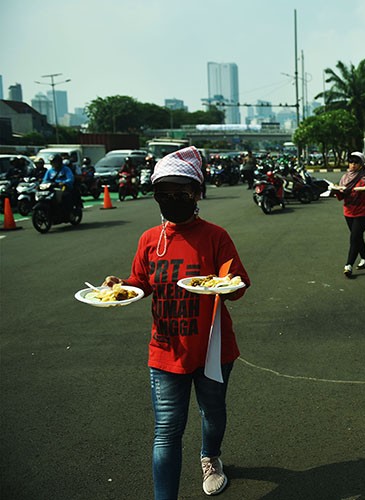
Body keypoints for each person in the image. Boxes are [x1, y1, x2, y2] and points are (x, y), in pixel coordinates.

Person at [101, 146, 250, 500]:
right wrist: (118, 286)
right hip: (166, 350)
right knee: (166, 430)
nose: (172, 199)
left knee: (212, 413)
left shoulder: (216, 236)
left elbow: (237, 286)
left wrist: (223, 285)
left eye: (181, 192)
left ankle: (210, 457)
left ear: (197, 193)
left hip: (213, 348)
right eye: (163, 193)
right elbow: (139, 282)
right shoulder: (151, 240)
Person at [333, 151, 365, 278]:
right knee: (358, 237)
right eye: (351, 162)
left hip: (363, 211)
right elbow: (341, 197)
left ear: (361, 164)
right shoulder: (344, 178)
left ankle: (348, 265)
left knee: (354, 237)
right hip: (348, 211)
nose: (353, 165)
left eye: (356, 162)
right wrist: (337, 191)